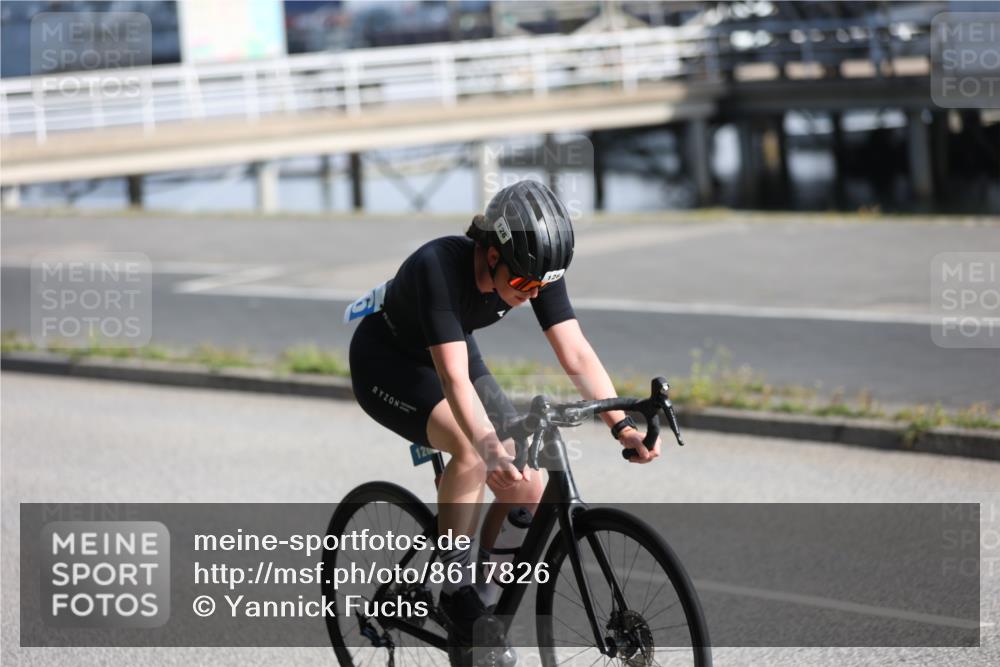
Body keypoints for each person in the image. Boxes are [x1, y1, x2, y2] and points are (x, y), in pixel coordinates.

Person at [348, 179, 661, 641]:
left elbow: (575, 352)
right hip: (389, 365)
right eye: (521, 284)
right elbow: (454, 379)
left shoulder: (536, 267)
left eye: (542, 286)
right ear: (491, 253)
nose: (531, 295)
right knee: (475, 453)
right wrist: (490, 448)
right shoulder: (438, 265)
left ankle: (483, 620)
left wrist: (622, 426)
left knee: (527, 488)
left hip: (451, 352)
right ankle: (455, 590)